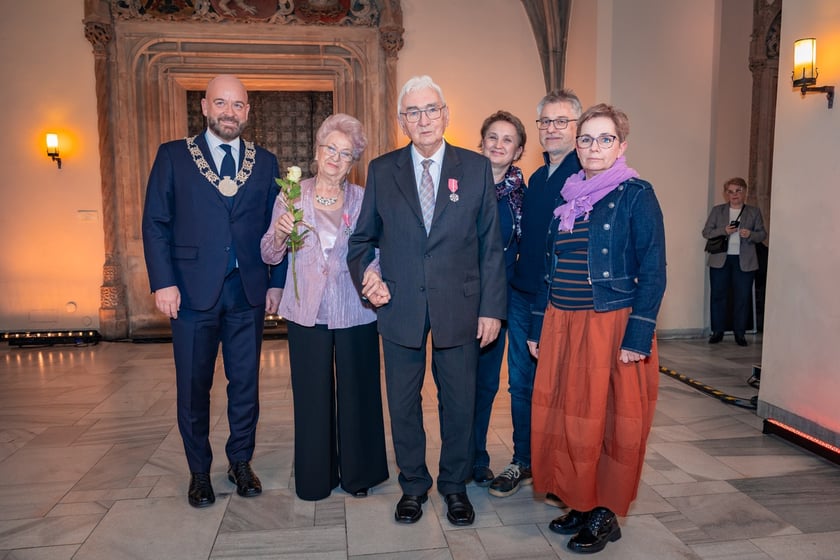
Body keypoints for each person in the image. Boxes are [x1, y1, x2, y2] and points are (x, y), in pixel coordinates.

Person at [347, 75, 506, 526]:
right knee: (402, 402)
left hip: (462, 304)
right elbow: (360, 242)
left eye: (431, 109)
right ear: (402, 121)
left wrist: (492, 307)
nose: (423, 119)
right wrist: (368, 278)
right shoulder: (382, 169)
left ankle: (455, 487)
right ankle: (413, 486)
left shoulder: (474, 168)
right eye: (413, 112)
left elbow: (489, 244)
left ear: (446, 114)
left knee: (459, 402)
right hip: (400, 306)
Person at [527, 103, 666, 554]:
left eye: (605, 139)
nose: (593, 147)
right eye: (586, 138)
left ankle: (606, 512)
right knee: (571, 420)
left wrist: (638, 335)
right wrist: (538, 325)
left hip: (611, 323)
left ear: (621, 145)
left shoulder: (635, 194)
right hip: (563, 323)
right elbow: (549, 268)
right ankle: (583, 502)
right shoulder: (568, 195)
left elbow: (654, 268)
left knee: (612, 422)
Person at [142, 75, 285, 508]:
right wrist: (163, 282)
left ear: (247, 110)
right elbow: (155, 223)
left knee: (245, 384)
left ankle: (240, 461)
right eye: (221, 103)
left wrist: (276, 283)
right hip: (189, 293)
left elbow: (277, 226)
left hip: (247, 291)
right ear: (204, 107)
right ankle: (198, 472)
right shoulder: (173, 156)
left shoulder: (265, 162)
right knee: (193, 387)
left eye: (238, 104)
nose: (229, 111)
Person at [259, 113, 388, 500]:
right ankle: (316, 477)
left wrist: (376, 276)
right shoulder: (291, 196)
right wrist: (280, 235)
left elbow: (376, 252)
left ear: (353, 163)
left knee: (359, 392)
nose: (335, 157)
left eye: (345, 153)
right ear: (316, 152)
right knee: (312, 395)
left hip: (355, 309)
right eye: (330, 148)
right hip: (307, 311)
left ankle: (358, 474)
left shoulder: (363, 199)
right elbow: (268, 253)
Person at [491, 90, 583, 499]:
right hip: (521, 295)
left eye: (561, 121)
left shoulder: (585, 177)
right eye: (545, 121)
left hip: (558, 300)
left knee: (559, 388)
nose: (551, 129)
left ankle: (560, 470)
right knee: (521, 386)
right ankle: (523, 460)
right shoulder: (538, 178)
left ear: (578, 128)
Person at [471, 110, 527, 488]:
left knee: (488, 383)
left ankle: (485, 459)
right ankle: (466, 456)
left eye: (507, 139)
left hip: (503, 298)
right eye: (492, 136)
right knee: (462, 383)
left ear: (518, 150)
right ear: (481, 142)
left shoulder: (524, 194)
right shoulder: (458, 186)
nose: (498, 144)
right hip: (461, 298)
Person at [702, 177, 766, 346]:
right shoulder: (718, 211)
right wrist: (723, 231)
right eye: (730, 191)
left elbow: (762, 234)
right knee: (718, 296)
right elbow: (706, 232)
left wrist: (750, 234)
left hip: (744, 260)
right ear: (726, 194)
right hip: (720, 260)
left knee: (742, 297)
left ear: (744, 192)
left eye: (738, 190)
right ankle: (717, 331)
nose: (734, 195)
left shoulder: (753, 212)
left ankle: (740, 333)